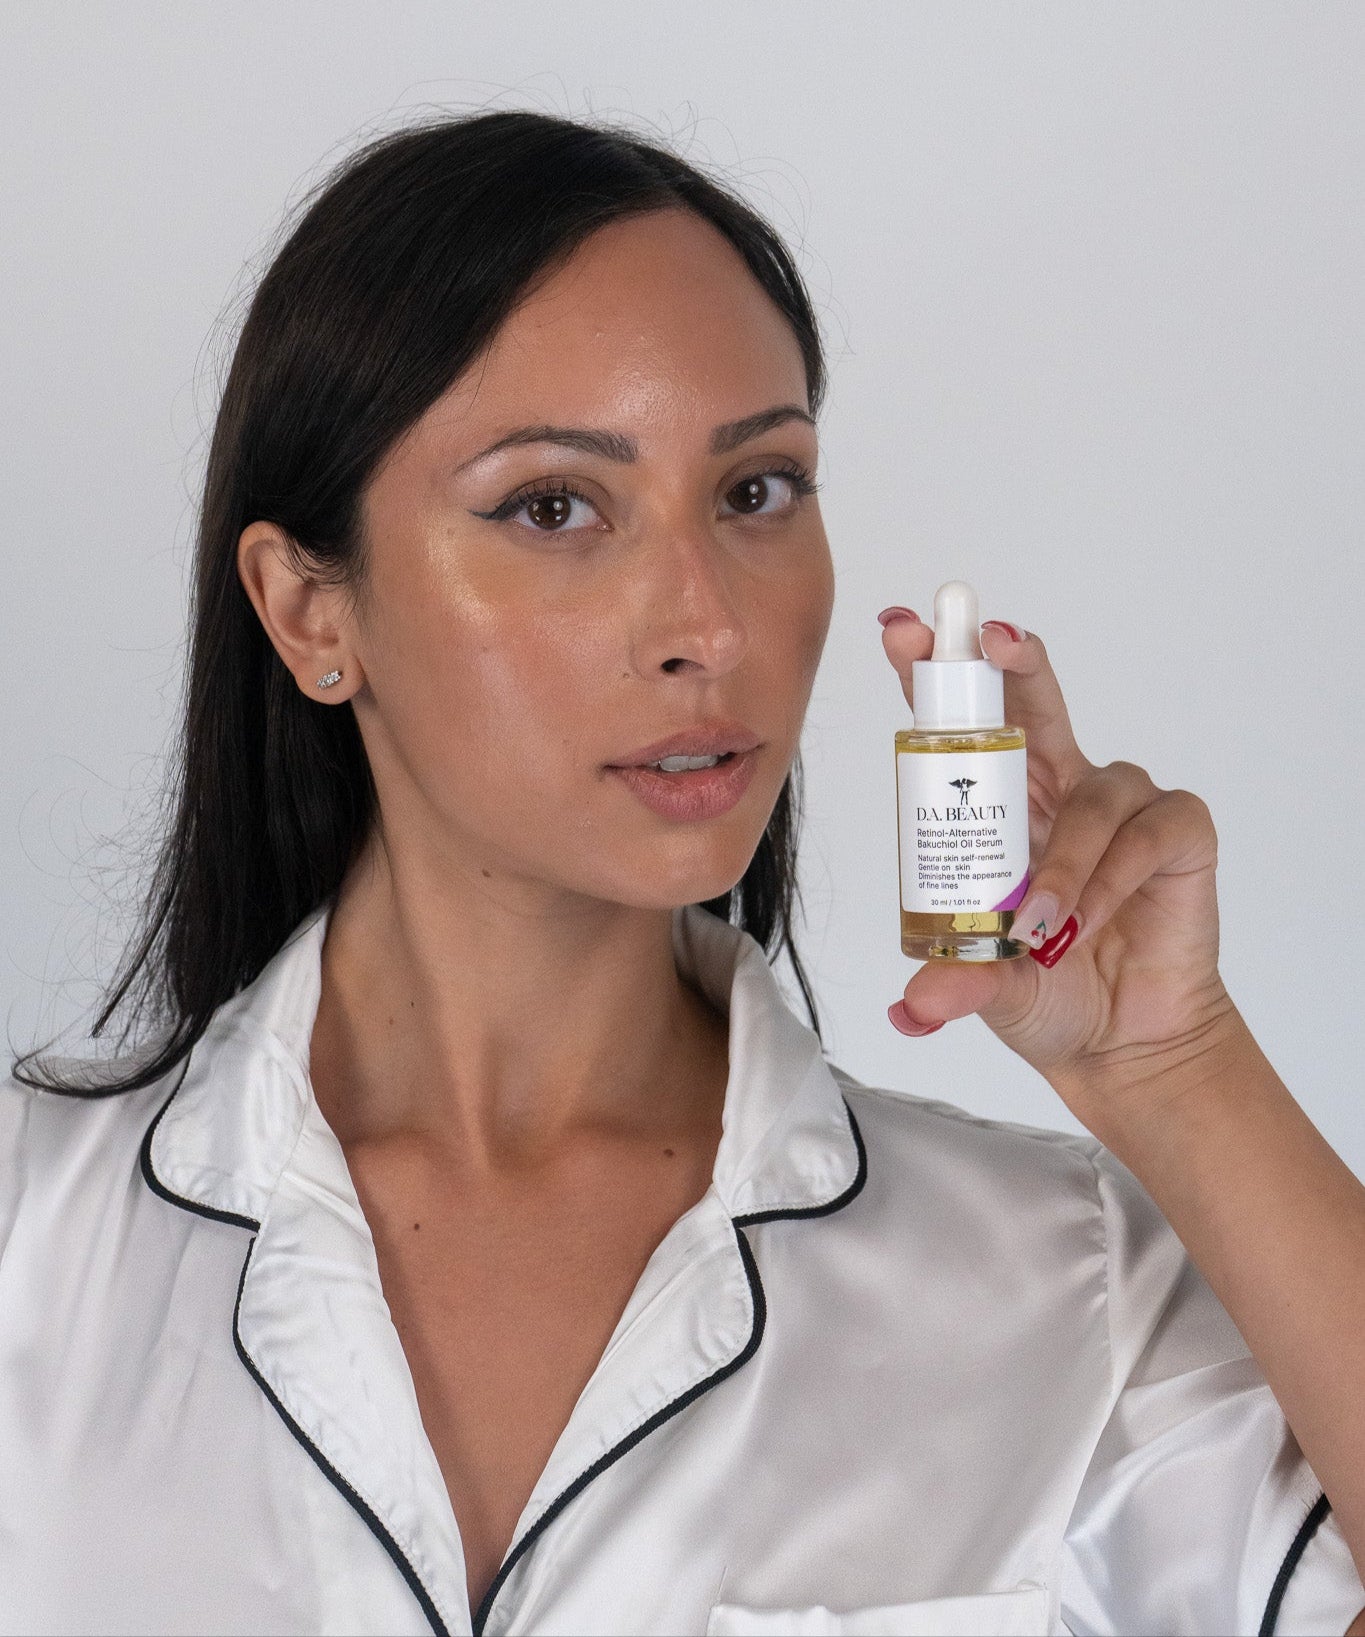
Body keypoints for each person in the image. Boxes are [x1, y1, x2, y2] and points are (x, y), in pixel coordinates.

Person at [2, 109, 1362, 1637]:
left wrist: (1175, 1068)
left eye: (756, 489)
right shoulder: (32, 1243)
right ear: (311, 610)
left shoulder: (1068, 1289)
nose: (706, 624)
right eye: (553, 506)